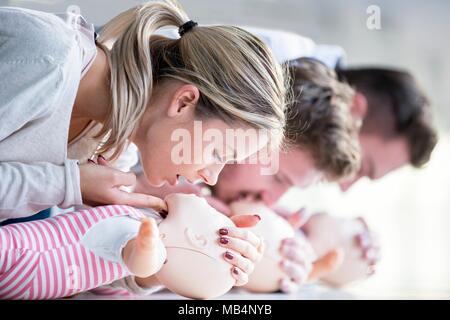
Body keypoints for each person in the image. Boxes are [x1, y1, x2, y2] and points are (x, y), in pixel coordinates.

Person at [0, 0, 290, 295]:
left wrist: (167, 255)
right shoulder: (45, 56)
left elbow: (65, 259)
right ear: (183, 102)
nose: (211, 178)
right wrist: (70, 183)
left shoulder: (115, 141)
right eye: (218, 154)